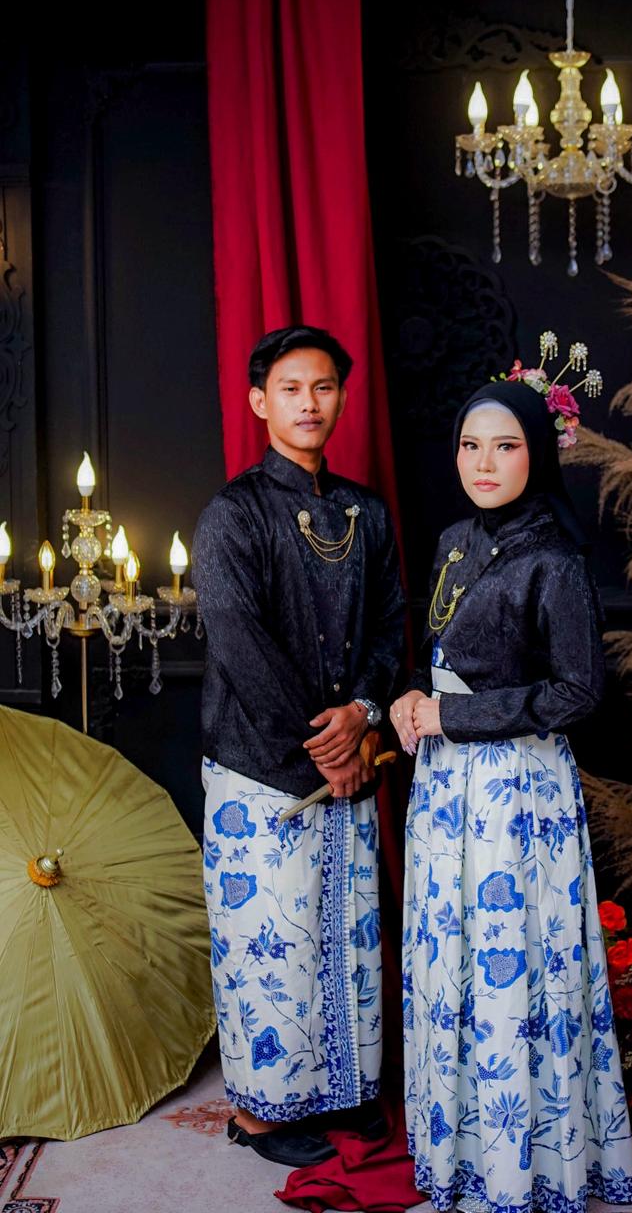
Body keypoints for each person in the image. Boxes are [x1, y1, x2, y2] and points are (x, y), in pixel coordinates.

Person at [391, 379, 632, 1213]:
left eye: (505, 446)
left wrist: (452, 716)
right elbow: (436, 653)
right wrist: (410, 696)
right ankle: (461, 1150)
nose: (484, 463)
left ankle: (522, 1165)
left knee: (509, 961)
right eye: (471, 446)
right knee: (452, 955)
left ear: (536, 454)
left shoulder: (554, 559)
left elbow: (578, 692)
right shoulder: (455, 540)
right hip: (445, 783)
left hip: (515, 791)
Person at [193, 325, 405, 1167]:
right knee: (270, 951)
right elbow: (239, 643)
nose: (309, 403)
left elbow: (390, 627)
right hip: (260, 767)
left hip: (349, 757)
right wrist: (327, 745)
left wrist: (363, 711)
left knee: (343, 939)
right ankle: (258, 1115)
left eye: (323, 387)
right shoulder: (232, 514)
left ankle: (341, 1094)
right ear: (260, 402)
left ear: (341, 398)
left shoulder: (367, 512)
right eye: (290, 388)